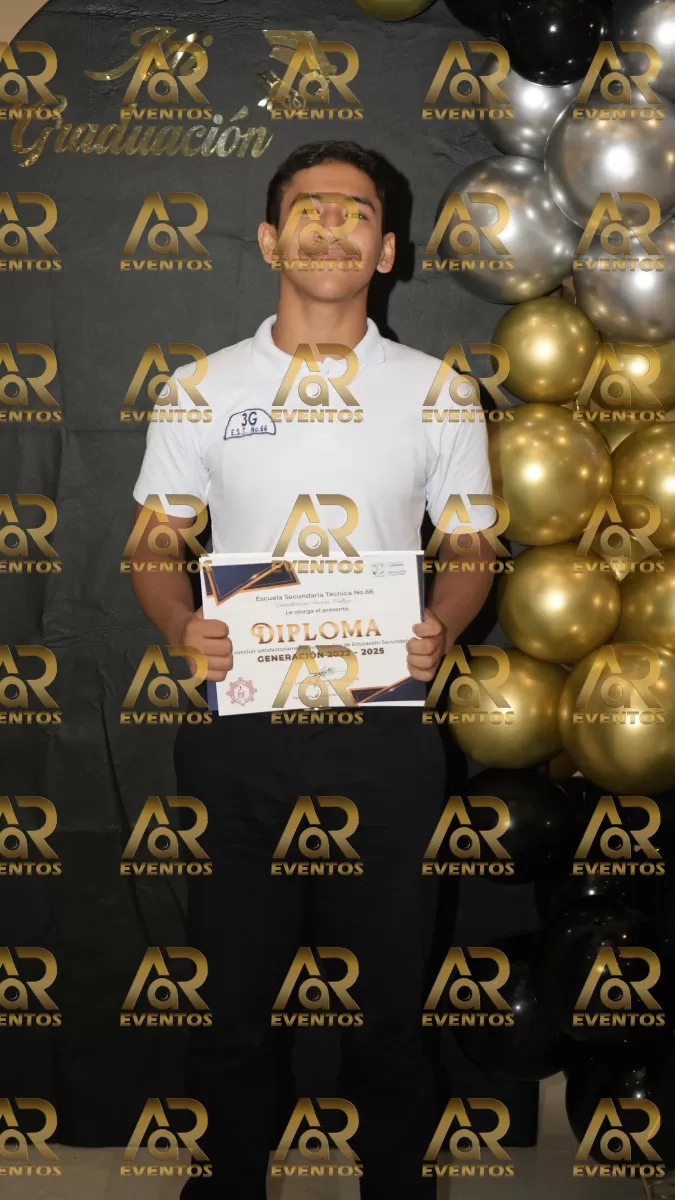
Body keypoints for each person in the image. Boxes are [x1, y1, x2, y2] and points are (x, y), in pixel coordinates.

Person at [129, 140, 495, 1199]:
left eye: (356, 213)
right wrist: (179, 626)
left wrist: (441, 627)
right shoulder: (200, 389)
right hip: (241, 729)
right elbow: (155, 544)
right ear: (268, 239)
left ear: (387, 250)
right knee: (232, 1007)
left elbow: (470, 547)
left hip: (386, 729)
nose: (331, 226)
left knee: (390, 1012)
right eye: (309, 209)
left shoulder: (438, 391)